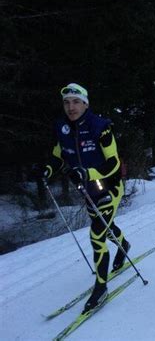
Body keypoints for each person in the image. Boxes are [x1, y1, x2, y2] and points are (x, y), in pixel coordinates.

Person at [36, 83, 130, 313]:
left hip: (109, 186)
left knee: (97, 235)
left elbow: (113, 163)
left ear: (86, 103)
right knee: (106, 228)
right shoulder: (62, 127)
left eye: (76, 102)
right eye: (67, 102)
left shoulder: (100, 127)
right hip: (87, 189)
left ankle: (101, 287)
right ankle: (124, 244)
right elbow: (59, 155)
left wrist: (88, 173)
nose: (71, 107)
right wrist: (48, 169)